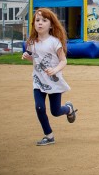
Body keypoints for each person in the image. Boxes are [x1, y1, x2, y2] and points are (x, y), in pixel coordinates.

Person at [22, 8, 77, 146]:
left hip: (54, 81)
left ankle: (69, 109)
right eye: (37, 20)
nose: (40, 23)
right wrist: (28, 57)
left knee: (56, 111)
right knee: (39, 107)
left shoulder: (55, 42)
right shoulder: (32, 42)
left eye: (44, 20)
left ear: (51, 25)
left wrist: (55, 69)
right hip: (38, 80)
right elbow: (36, 60)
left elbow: (64, 61)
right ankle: (49, 135)